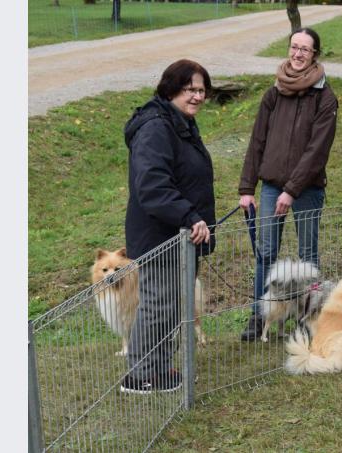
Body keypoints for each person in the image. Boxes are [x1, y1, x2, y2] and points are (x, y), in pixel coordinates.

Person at [120, 59, 216, 394]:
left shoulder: (180, 122)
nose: (197, 96)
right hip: (159, 236)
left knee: (172, 307)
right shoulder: (155, 128)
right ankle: (139, 375)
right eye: (190, 89)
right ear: (171, 88)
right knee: (157, 305)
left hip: (183, 237)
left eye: (202, 90)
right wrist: (190, 216)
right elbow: (153, 187)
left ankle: (159, 368)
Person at [238, 27, 338, 341]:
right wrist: (246, 188)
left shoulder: (325, 98)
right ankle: (259, 316)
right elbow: (257, 140)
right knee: (266, 252)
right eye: (294, 47)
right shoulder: (274, 93)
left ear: (314, 55)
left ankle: (309, 319)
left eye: (304, 49)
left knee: (308, 255)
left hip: (307, 190)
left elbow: (317, 151)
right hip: (271, 187)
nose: (297, 54)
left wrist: (291, 190)